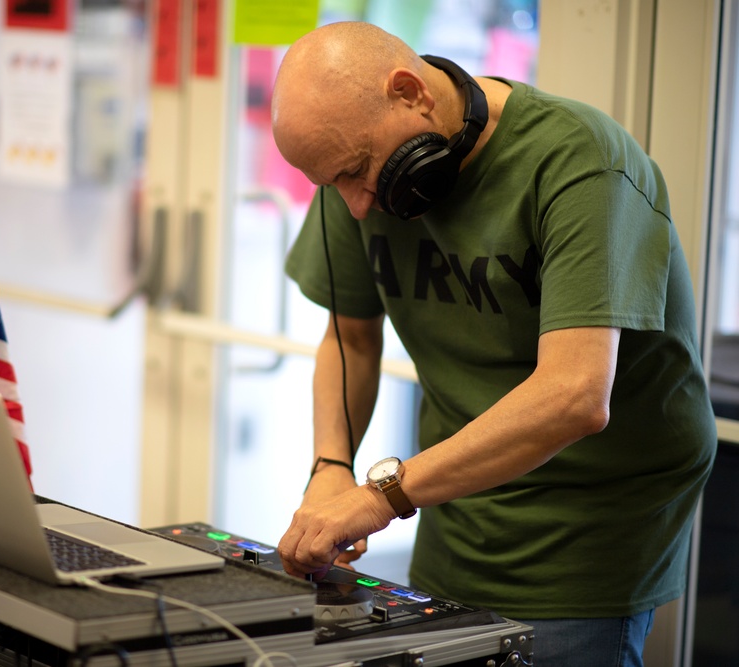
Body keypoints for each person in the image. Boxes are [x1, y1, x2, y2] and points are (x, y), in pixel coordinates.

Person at [271, 21, 716, 667]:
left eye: (358, 172)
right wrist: (331, 469)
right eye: (332, 183)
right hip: (455, 497)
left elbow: (574, 396)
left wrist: (379, 497)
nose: (356, 206)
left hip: (588, 523)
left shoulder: (580, 161)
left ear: (409, 91)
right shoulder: (352, 169)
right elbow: (350, 337)